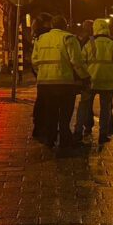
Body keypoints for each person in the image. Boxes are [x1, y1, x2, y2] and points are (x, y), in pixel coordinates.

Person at [30, 15, 89, 148]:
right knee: (65, 113)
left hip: (45, 84)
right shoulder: (69, 38)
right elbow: (76, 62)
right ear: (65, 25)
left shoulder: (41, 39)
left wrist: (42, 73)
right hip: (64, 83)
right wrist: (85, 77)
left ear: (51, 25)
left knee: (50, 112)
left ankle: (50, 139)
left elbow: (34, 61)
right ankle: (65, 140)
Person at [76, 19, 113, 144]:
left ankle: (83, 130)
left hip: (91, 81)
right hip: (109, 82)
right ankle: (103, 134)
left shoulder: (89, 43)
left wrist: (82, 77)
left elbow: (81, 61)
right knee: (106, 108)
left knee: (85, 105)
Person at [30, 13, 54, 141]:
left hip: (42, 75)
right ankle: (46, 128)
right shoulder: (47, 34)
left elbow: (34, 60)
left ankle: (38, 127)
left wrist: (39, 73)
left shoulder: (36, 35)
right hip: (51, 74)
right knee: (49, 104)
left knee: (41, 102)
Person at [73, 20, 97, 138]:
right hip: (97, 77)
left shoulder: (82, 41)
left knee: (85, 102)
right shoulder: (98, 40)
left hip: (87, 76)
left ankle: (80, 128)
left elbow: (79, 60)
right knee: (105, 103)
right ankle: (89, 125)